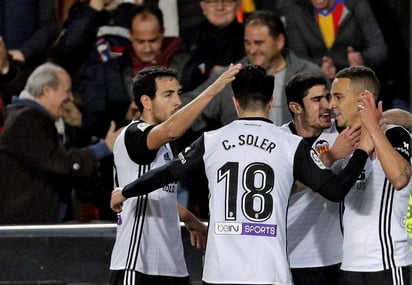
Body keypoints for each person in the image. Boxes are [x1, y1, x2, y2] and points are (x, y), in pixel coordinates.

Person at [110, 64, 373, 284]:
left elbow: (164, 175)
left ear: (235, 102)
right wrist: (361, 152)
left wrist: (125, 191)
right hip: (270, 273)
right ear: (271, 102)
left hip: (220, 273)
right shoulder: (290, 144)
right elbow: (336, 190)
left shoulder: (211, 140)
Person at [109, 63, 241, 285]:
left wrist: (189, 218)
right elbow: (171, 130)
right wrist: (213, 89)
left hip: (172, 266)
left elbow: (158, 193)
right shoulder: (133, 134)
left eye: (178, 94)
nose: (178, 101)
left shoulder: (166, 145)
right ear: (146, 102)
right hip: (138, 264)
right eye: (168, 95)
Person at [0, 63, 121, 225]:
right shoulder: (25, 119)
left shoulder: (47, 120)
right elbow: (58, 162)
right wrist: (103, 148)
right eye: (67, 91)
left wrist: (75, 128)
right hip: (26, 226)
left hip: (44, 224)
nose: (70, 98)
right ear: (47, 90)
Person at [329, 66, 412, 284]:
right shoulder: (341, 143)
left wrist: (373, 129)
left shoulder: (393, 133)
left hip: (387, 264)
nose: (331, 105)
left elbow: (401, 178)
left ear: (363, 99)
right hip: (348, 266)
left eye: (338, 96)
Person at [282, 72, 360, 284]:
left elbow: (399, 117)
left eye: (328, 97)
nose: (327, 105)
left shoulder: (342, 132)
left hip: (337, 257)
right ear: (296, 107)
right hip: (292, 258)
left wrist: (385, 117)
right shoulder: (280, 142)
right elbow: (279, 189)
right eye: (317, 100)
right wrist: (330, 157)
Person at [283, 0, 387, 81]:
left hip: (356, 81)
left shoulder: (356, 4)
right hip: (318, 85)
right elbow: (297, 56)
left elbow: (379, 47)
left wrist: (362, 59)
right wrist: (319, 66)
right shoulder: (296, 12)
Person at [180, 0, 245, 92]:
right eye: (212, 1)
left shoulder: (250, 37)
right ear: (203, 6)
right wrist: (208, 71)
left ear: (238, 5)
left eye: (227, 2)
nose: (220, 7)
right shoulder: (187, 38)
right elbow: (181, 77)